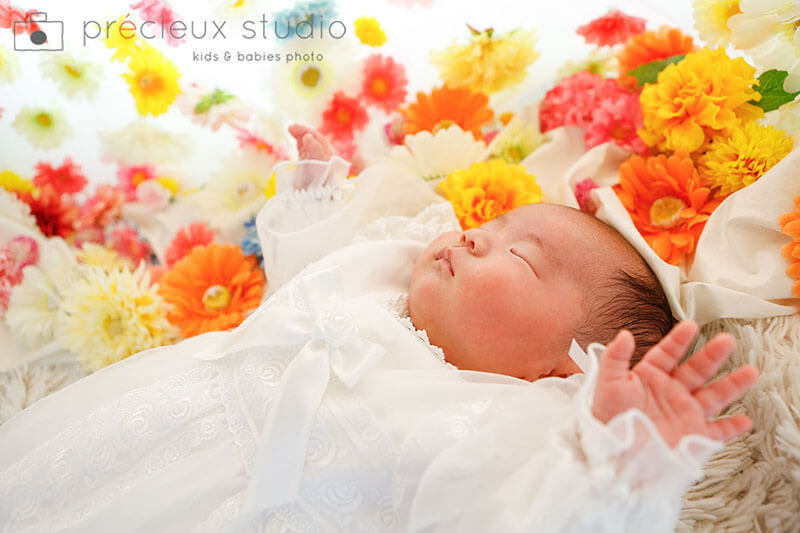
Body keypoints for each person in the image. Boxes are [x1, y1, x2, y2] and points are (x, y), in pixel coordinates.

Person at [0, 124, 757, 532]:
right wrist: (315, 199)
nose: (473, 236)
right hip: (154, 420)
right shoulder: (392, 269)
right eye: (492, 224)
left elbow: (534, 516)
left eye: (521, 259)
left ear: (560, 369)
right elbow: (307, 277)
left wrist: (620, 460)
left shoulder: (514, 419)